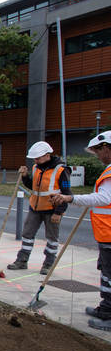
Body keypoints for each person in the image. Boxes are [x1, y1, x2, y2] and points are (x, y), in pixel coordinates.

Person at [52, 131, 111, 331]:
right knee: (105, 273)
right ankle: (106, 308)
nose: (97, 156)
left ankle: (109, 315)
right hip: (106, 233)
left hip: (110, 233)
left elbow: (103, 199)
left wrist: (71, 198)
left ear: (106, 148)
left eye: (98, 152)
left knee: (110, 275)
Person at [7, 141, 72, 274]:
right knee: (27, 235)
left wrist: (59, 212)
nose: (35, 160)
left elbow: (66, 193)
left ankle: (48, 264)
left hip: (52, 210)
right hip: (35, 208)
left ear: (47, 155)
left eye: (38, 158)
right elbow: (33, 186)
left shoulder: (61, 170)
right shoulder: (36, 167)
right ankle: (22, 261)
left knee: (52, 239)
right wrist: (25, 176)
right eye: (34, 158)